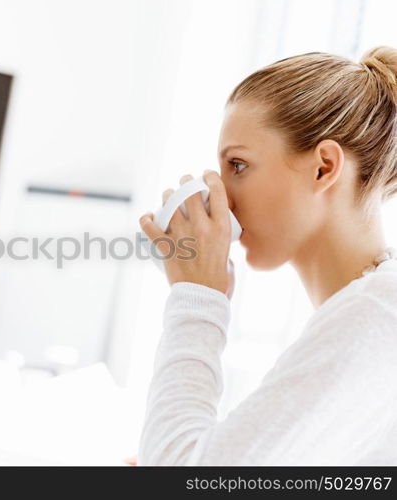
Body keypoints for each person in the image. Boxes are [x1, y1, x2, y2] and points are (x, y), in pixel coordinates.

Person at [137, 46, 397, 465]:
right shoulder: (371, 309)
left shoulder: (376, 312)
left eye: (237, 166)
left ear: (324, 167)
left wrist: (197, 298)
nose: (221, 199)